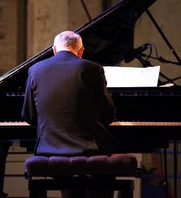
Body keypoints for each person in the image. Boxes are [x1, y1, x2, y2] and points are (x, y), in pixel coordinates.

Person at [22, 30, 124, 198]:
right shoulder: (93, 69)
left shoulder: (34, 70)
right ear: (81, 51)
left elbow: (28, 115)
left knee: (68, 173)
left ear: (54, 50)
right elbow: (108, 115)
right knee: (113, 152)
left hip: (49, 149)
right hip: (90, 148)